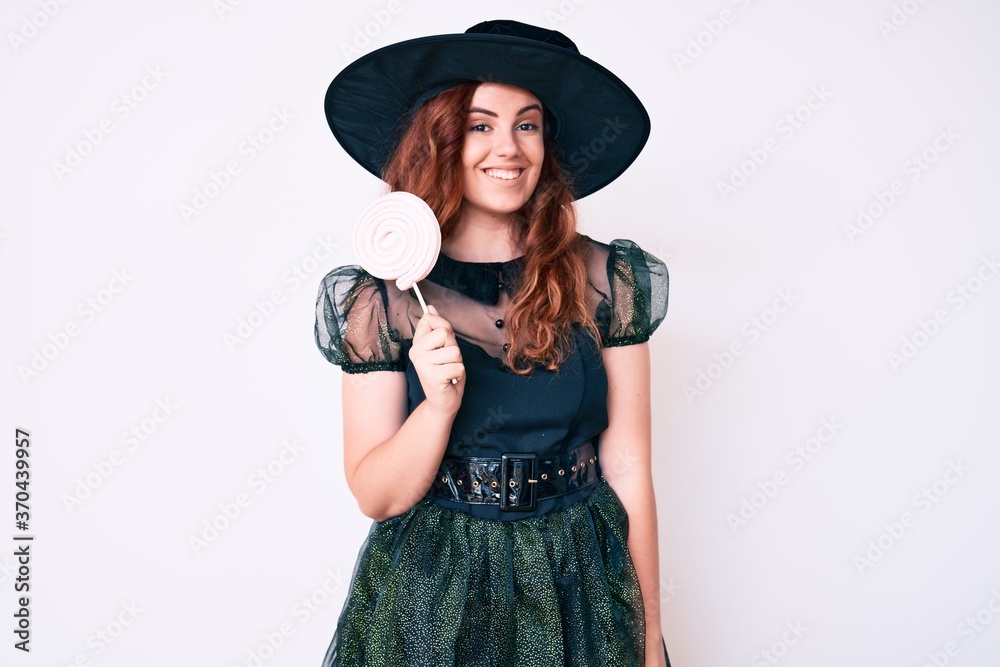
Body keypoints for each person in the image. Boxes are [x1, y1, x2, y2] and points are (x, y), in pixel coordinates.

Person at [314, 19, 671, 667]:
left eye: (527, 124)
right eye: (481, 124)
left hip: (580, 579)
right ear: (444, 140)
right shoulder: (381, 298)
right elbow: (377, 495)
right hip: (436, 586)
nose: (508, 147)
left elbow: (628, 469)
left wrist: (648, 641)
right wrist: (437, 407)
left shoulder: (607, 281)